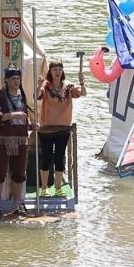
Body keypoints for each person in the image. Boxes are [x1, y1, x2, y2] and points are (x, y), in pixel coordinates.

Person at [0, 67, 32, 217]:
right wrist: (12, 115)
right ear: (6, 80)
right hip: (3, 139)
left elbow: (24, 117)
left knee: (19, 172)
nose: (16, 81)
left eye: (18, 78)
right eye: (13, 79)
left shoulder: (22, 95)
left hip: (21, 138)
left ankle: (17, 203)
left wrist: (31, 126)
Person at [36, 59, 82, 196]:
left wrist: (82, 83)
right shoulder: (46, 85)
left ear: (62, 71)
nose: (57, 72)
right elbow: (36, 96)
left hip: (63, 128)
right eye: (54, 69)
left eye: (59, 69)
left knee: (60, 158)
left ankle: (58, 188)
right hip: (47, 128)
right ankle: (43, 188)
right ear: (50, 71)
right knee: (46, 158)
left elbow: (82, 93)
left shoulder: (68, 86)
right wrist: (38, 85)